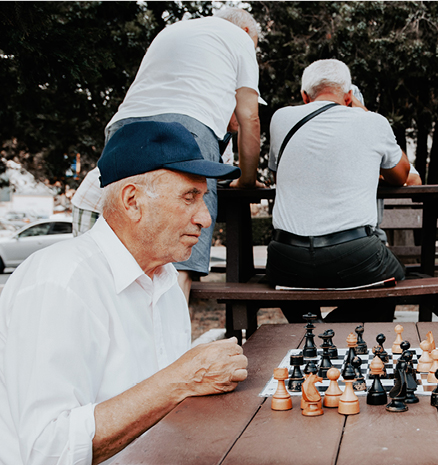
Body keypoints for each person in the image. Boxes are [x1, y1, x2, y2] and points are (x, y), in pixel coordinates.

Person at [0, 121, 249, 465]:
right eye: (189, 196)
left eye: (203, 198)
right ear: (132, 201)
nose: (206, 219)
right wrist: (180, 380)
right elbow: (48, 450)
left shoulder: (165, 282)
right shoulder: (61, 282)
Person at [71, 7, 264, 301]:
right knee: (181, 252)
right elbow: (249, 118)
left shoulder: (173, 30)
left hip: (124, 127)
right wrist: (247, 181)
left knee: (122, 251)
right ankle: (171, 344)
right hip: (188, 128)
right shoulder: (240, 38)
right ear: (248, 33)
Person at [265, 59, 411, 322]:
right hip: (354, 254)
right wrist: (364, 111)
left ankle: (307, 325)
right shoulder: (371, 121)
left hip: (286, 258)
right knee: (395, 278)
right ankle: (331, 329)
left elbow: (279, 172)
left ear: (303, 96)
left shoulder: (280, 118)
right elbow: (400, 175)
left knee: (284, 277)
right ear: (348, 96)